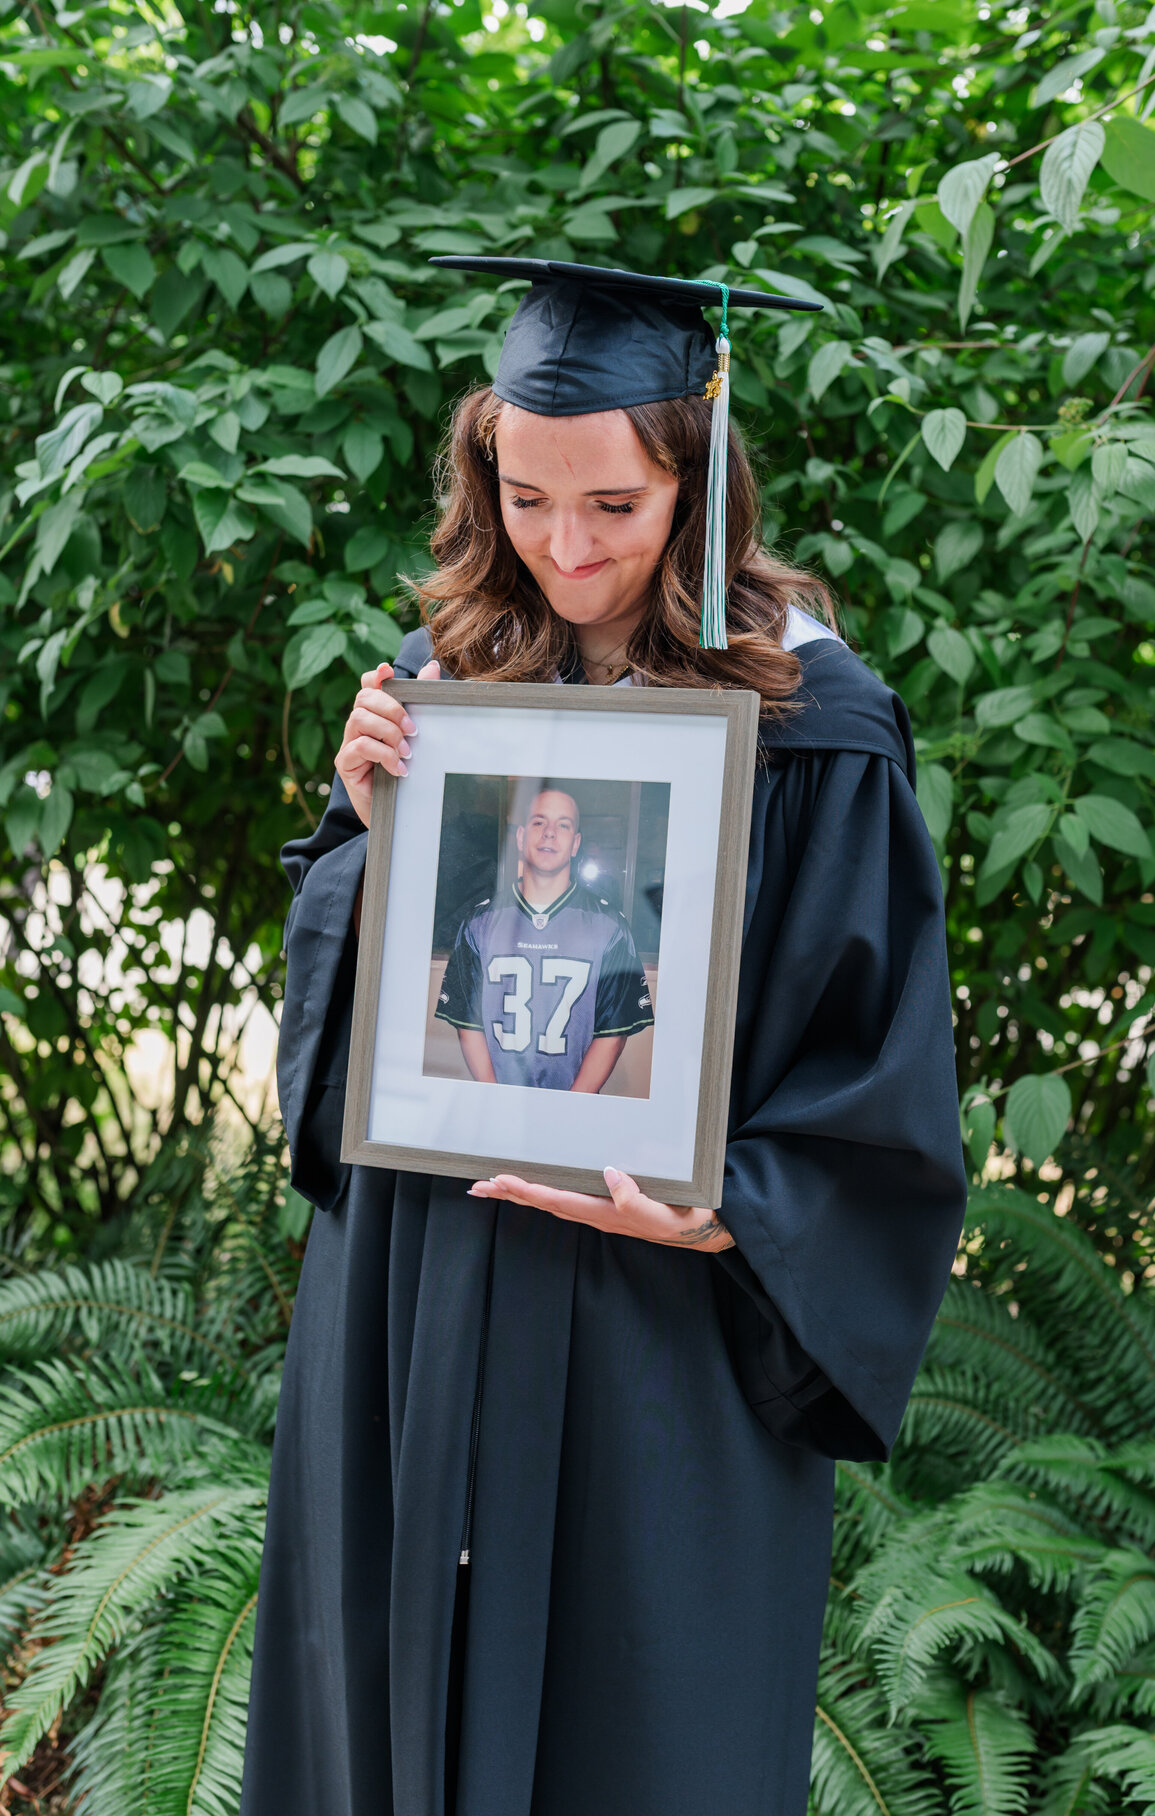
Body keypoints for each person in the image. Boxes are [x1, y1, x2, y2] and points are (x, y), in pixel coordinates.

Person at [239, 259, 968, 1816]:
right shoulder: (447, 689)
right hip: (416, 1303)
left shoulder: (814, 727)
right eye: (526, 498)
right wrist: (374, 837)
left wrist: (735, 1214)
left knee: (644, 1743)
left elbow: (877, 1069)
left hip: (657, 1337)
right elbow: (346, 1030)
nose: (565, 550)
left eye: (616, 510)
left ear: (694, 479)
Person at [435, 784, 654, 1092]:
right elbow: (469, 1026)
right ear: (521, 837)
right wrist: (494, 1100)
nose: (550, 832)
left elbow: (613, 1034)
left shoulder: (609, 926)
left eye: (563, 825)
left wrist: (569, 1109)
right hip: (496, 1108)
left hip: (573, 1111)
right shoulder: (479, 923)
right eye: (539, 822)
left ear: (575, 843)